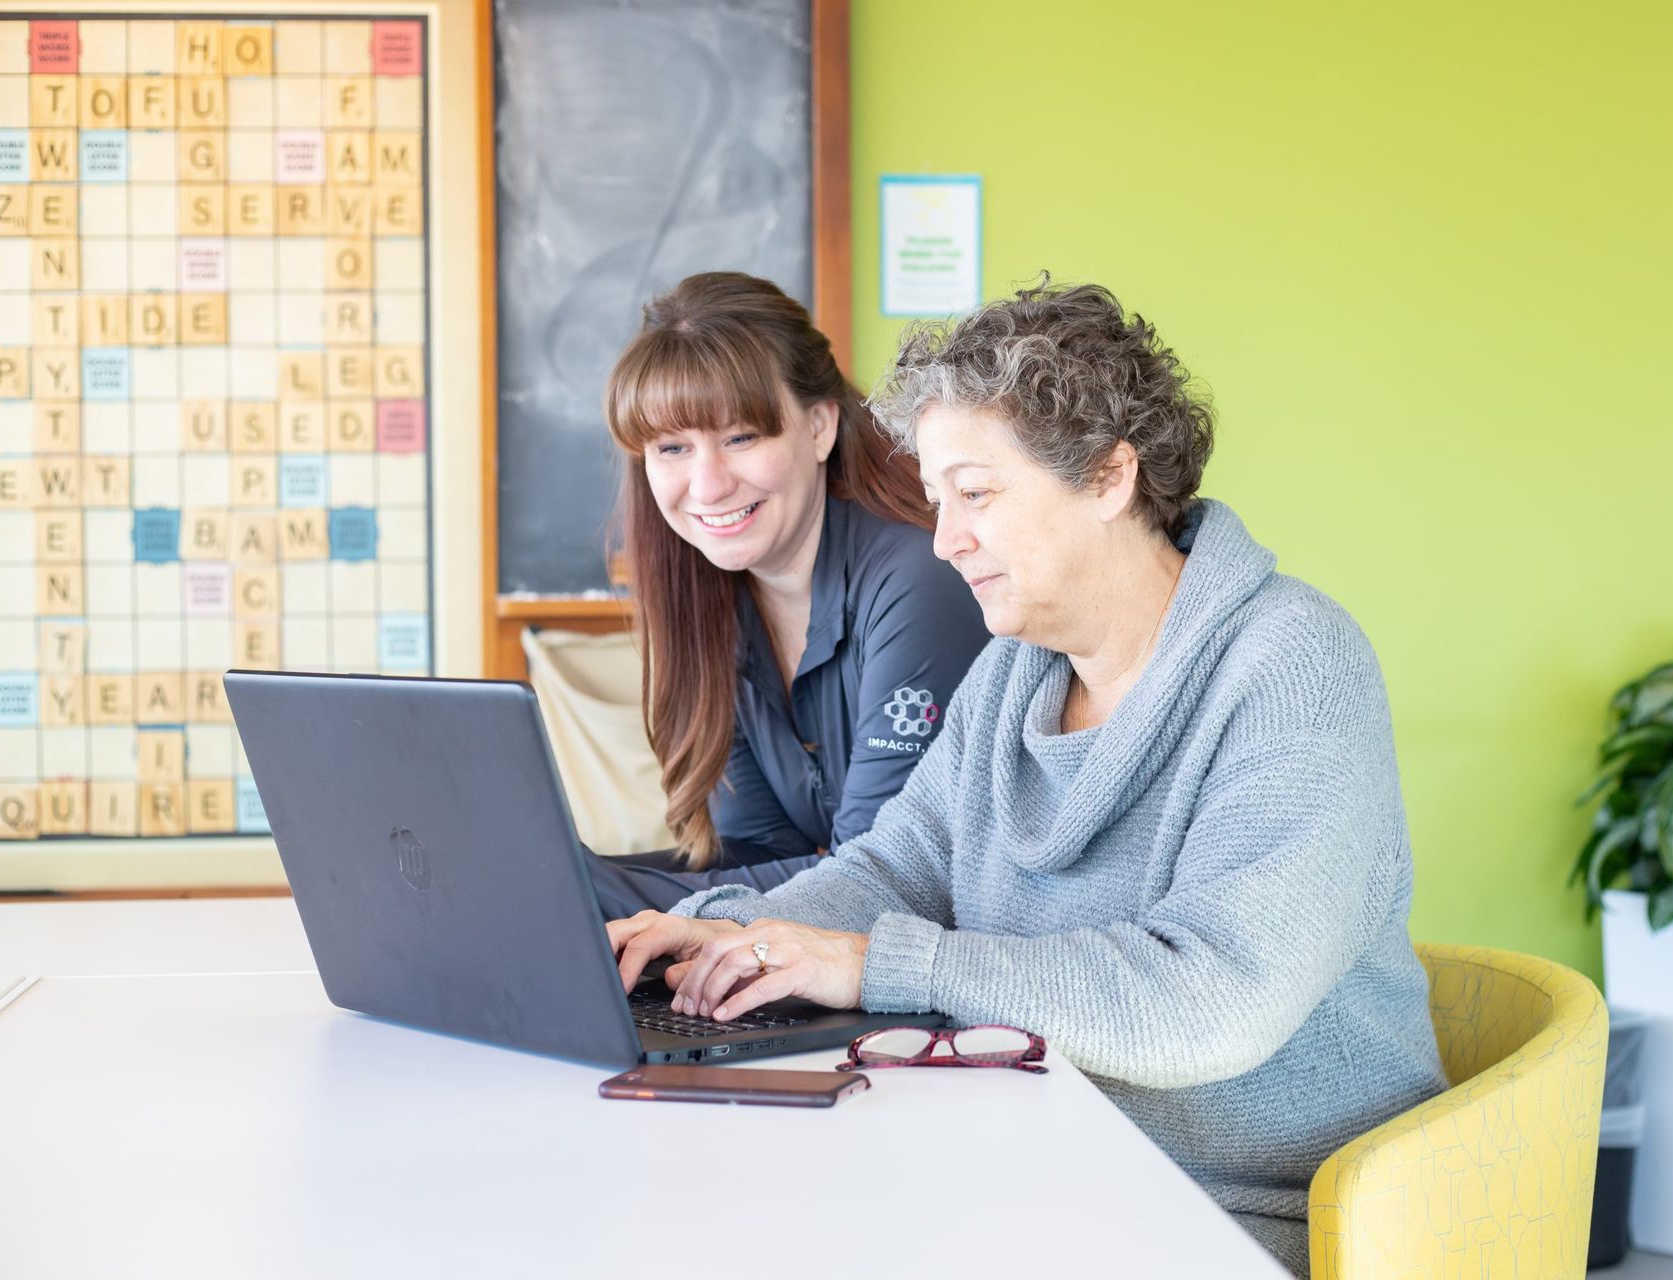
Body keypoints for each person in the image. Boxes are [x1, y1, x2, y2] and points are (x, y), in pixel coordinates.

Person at [604, 280, 1449, 1277]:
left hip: (1246, 1214)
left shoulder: (1292, 666)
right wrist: (738, 930)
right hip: (1033, 1168)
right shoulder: (1019, 670)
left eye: (978, 494)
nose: (945, 538)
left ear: (1107, 475)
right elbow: (901, 863)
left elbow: (1211, 999)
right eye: (937, 499)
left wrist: (879, 964)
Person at [587, 272, 990, 918]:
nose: (708, 484)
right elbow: (759, 854)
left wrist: (591, 895)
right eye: (672, 448)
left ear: (819, 428)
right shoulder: (713, 600)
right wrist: (577, 880)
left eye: (741, 437)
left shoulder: (919, 578)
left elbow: (874, 884)